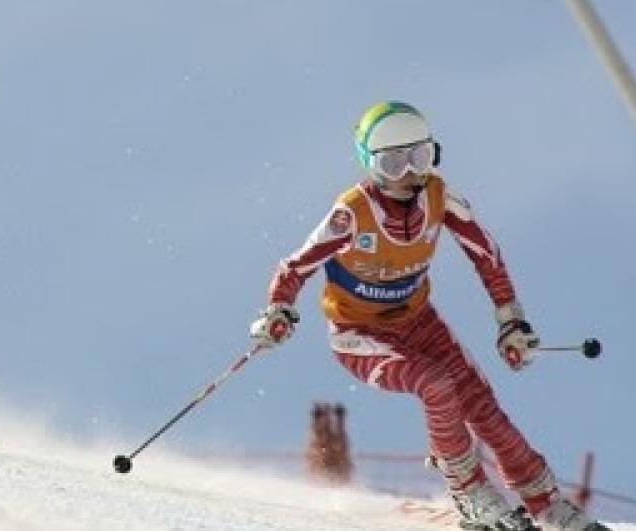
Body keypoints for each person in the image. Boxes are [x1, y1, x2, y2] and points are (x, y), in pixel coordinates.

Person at [250, 101, 607, 531]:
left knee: (482, 405)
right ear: (370, 164)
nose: (408, 175)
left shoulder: (440, 196)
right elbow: (296, 266)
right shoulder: (352, 212)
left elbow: (486, 256)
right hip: (359, 335)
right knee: (434, 385)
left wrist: (511, 322)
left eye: (418, 157)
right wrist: (279, 309)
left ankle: (546, 503)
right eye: (393, 163)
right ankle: (470, 493)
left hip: (421, 323)